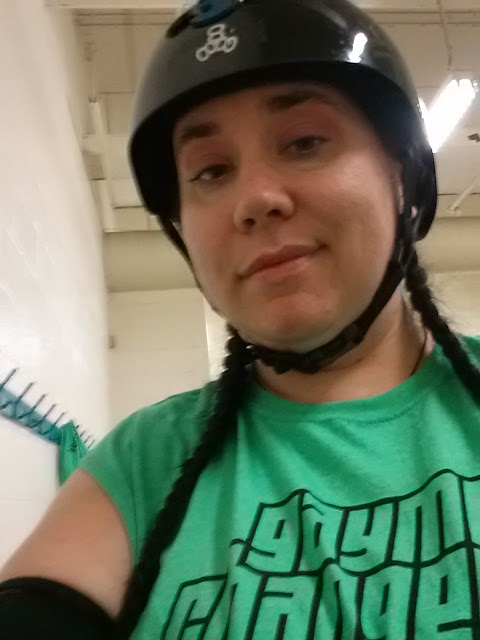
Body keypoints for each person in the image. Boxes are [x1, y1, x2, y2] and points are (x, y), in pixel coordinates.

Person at [1, 0, 479, 638]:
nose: (254, 199)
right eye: (210, 171)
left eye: (305, 141)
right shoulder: (145, 460)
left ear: (403, 176)